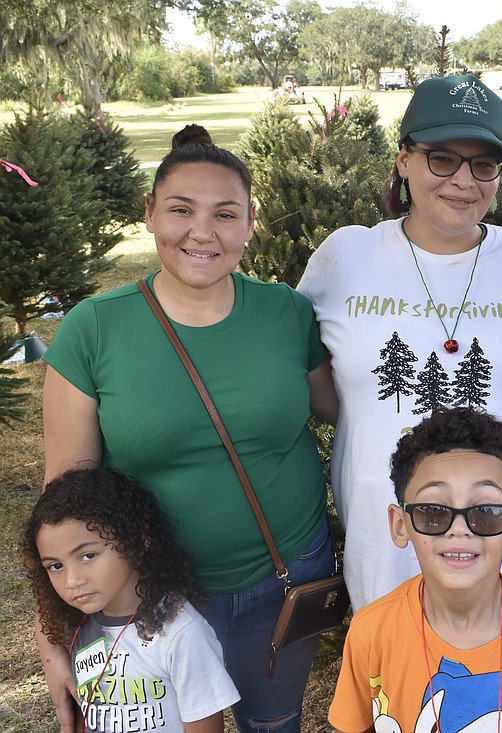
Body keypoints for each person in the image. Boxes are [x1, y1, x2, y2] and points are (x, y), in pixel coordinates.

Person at [41, 124, 337, 733]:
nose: (203, 233)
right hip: (147, 596)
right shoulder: (93, 330)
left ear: (250, 224)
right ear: (149, 213)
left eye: (225, 214)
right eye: (182, 210)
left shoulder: (287, 313)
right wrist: (54, 633)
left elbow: (347, 406)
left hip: (284, 575)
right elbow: (63, 503)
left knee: (272, 721)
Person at [297, 74, 502, 609]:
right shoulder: (345, 258)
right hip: (389, 532)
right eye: (442, 158)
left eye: (484, 164)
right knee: (397, 674)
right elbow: (312, 374)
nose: (463, 181)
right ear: (403, 160)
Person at [328, 407, 502, 732]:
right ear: (400, 525)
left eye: (486, 511)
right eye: (433, 511)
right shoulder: (372, 632)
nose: (460, 529)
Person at [24, 467, 240, 733]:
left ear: (137, 540)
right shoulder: (77, 624)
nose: (71, 580)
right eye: (55, 566)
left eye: (88, 555)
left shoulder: (183, 634)